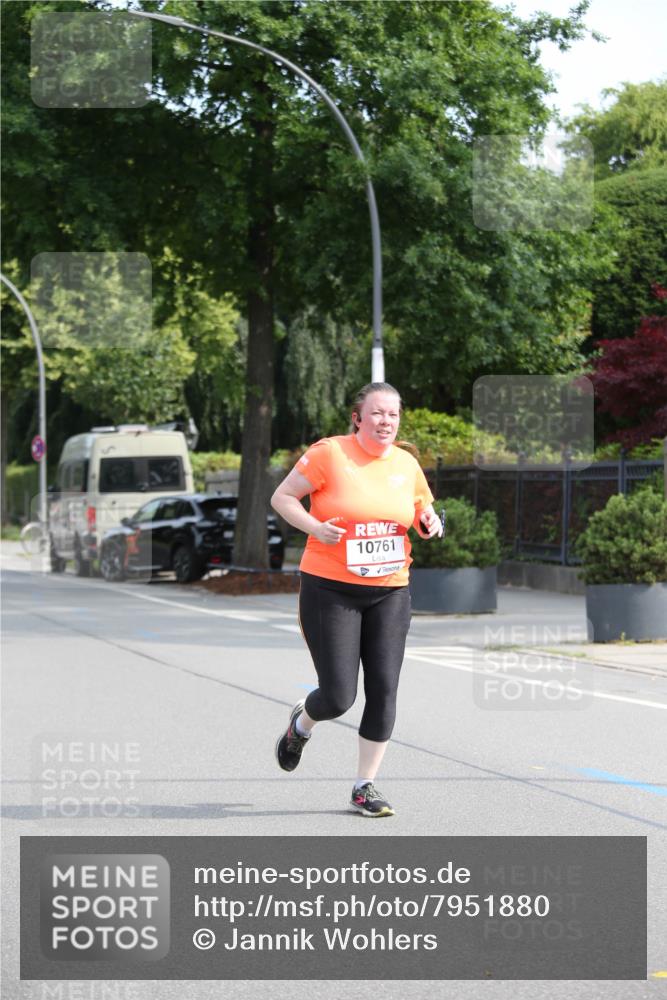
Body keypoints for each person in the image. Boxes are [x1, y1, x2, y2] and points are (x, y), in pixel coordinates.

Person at [270, 382, 443, 817]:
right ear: (357, 417)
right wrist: (314, 527)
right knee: (339, 697)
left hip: (390, 589)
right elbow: (282, 497)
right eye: (378, 414)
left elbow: (421, 516)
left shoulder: (406, 464)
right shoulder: (330, 453)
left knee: (384, 689)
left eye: (394, 415)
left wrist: (429, 523)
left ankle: (365, 786)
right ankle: (301, 724)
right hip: (330, 588)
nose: (386, 422)